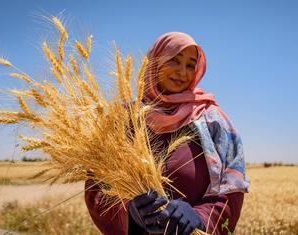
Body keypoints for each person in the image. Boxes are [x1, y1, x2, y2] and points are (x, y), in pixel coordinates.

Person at [84, 32, 250, 235]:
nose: (182, 72)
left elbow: (232, 188)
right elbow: (97, 186)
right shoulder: (122, 120)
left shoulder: (213, 120)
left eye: (190, 65)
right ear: (155, 63)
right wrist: (128, 210)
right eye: (174, 60)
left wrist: (201, 217)